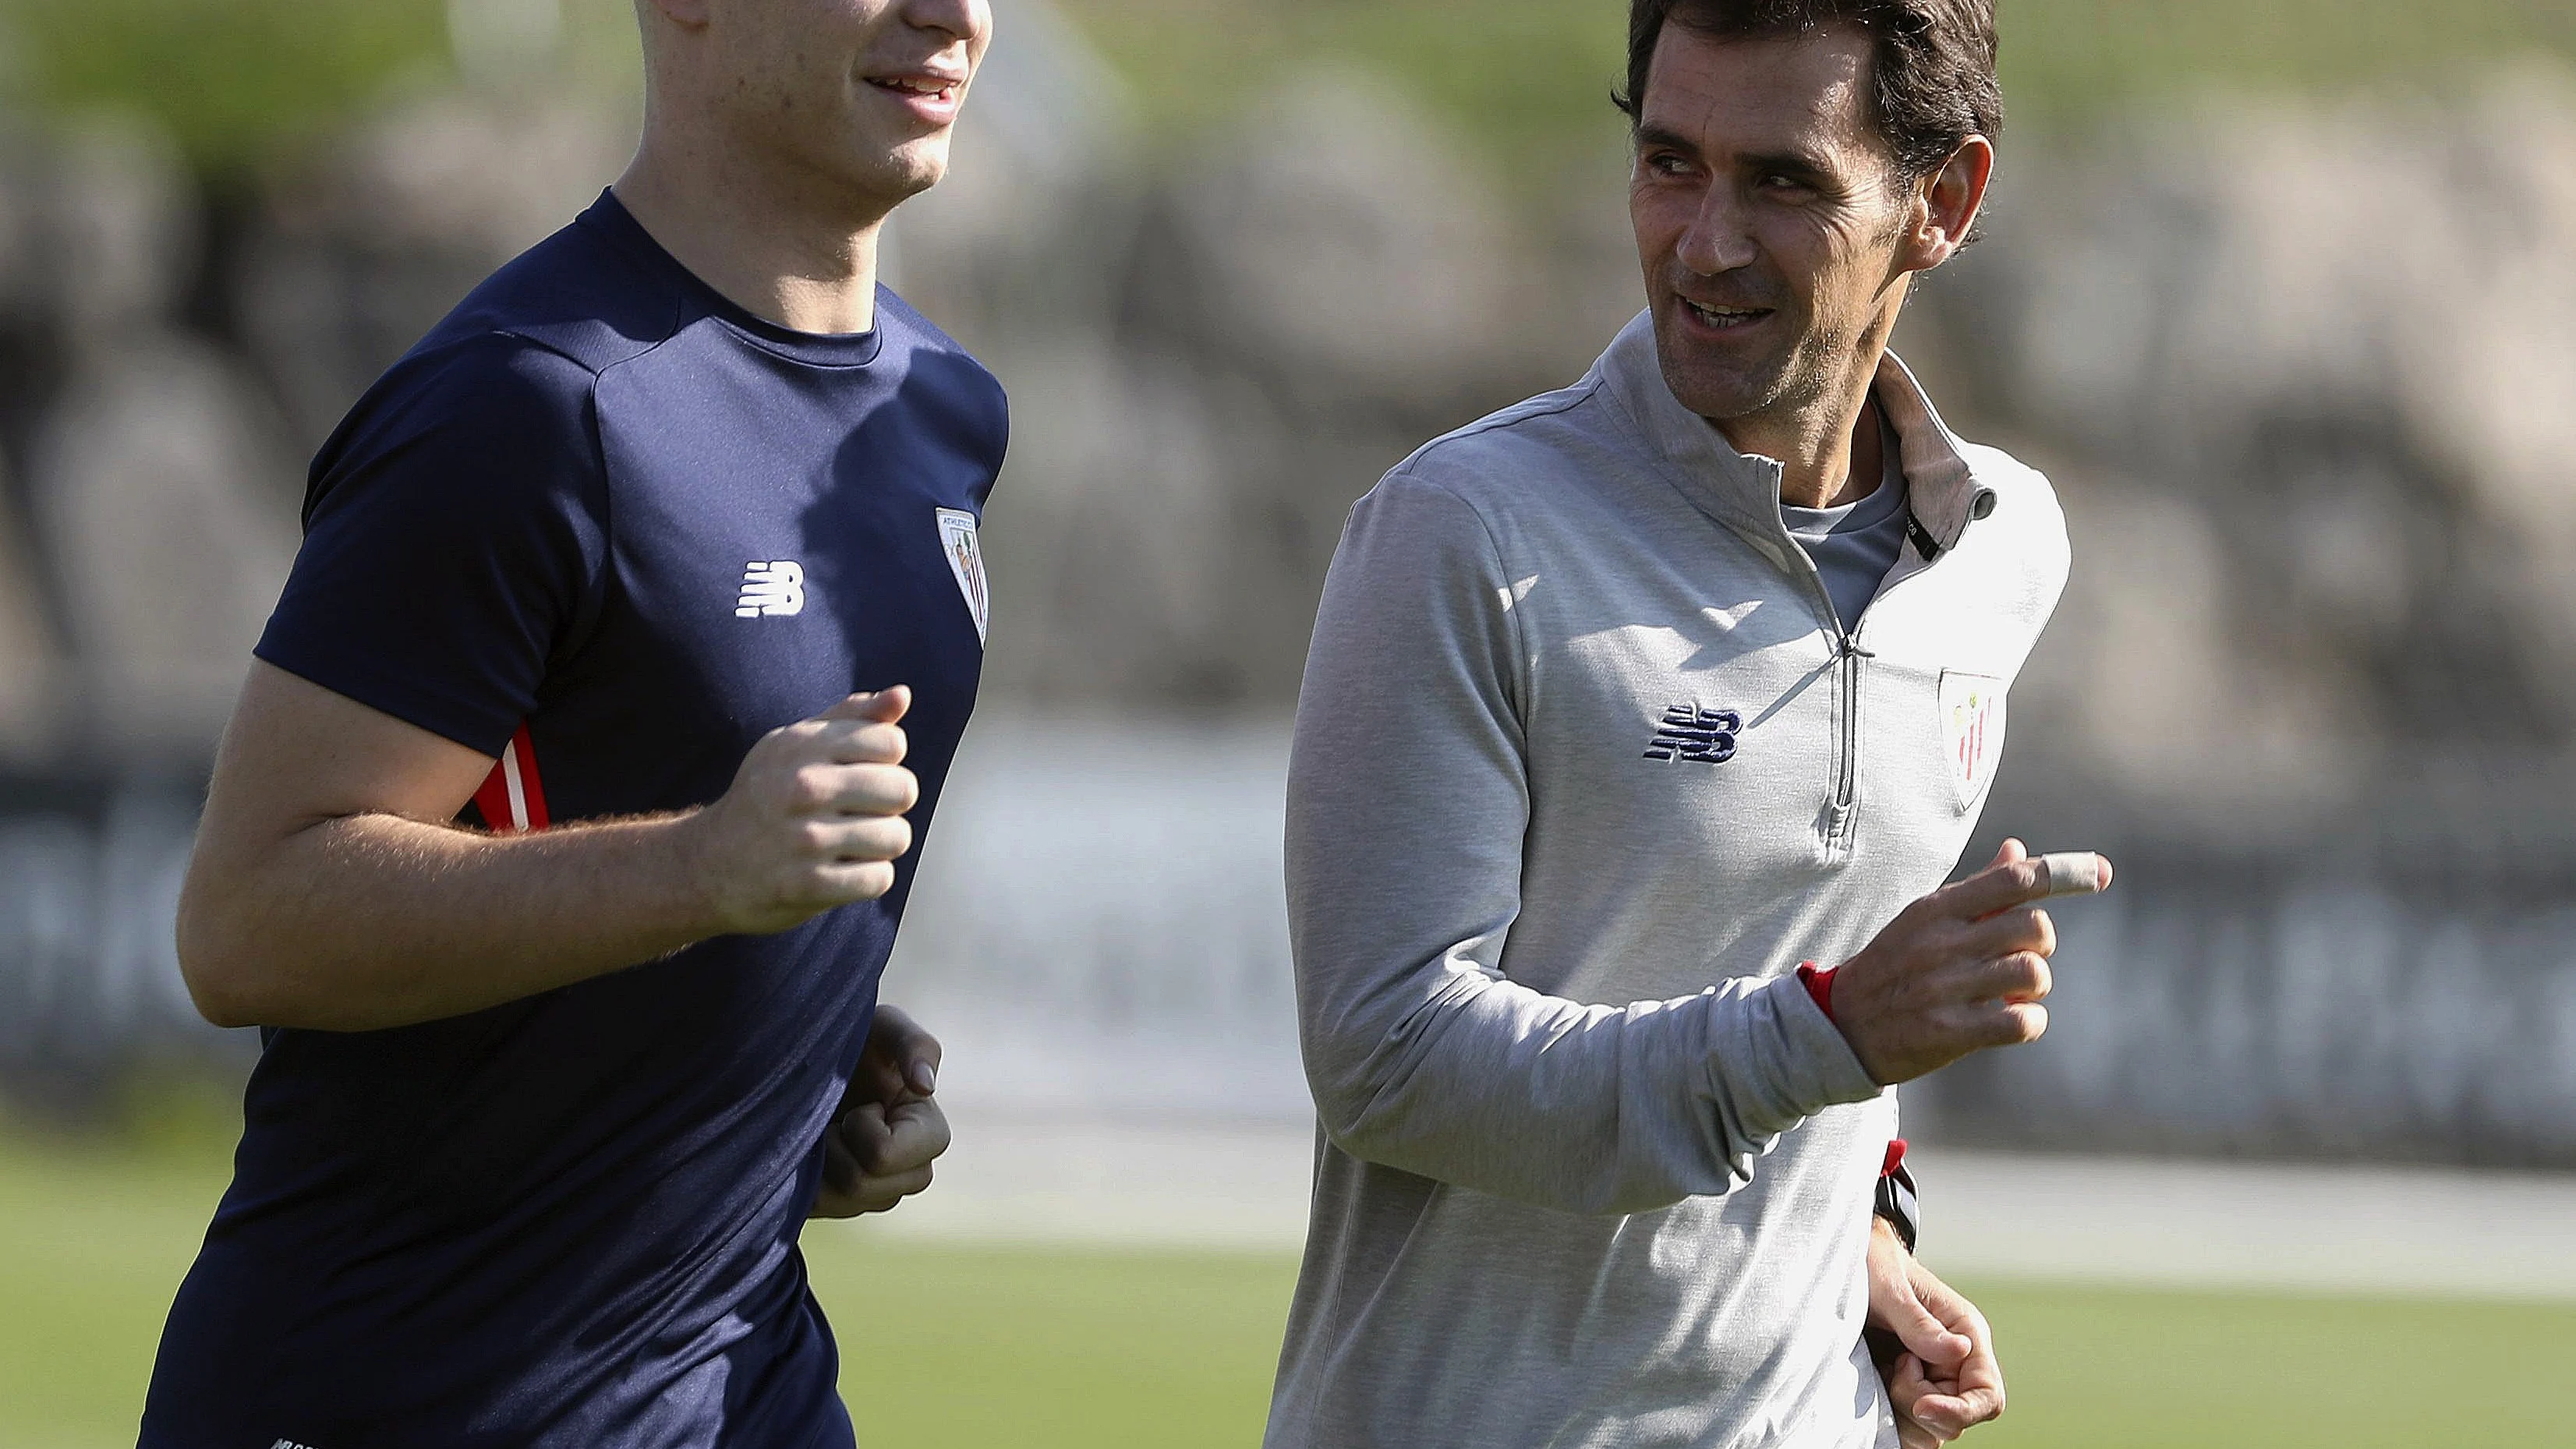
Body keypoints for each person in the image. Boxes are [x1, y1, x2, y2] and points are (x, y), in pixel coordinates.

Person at [142, 1, 1001, 1444]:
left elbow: (656, 830)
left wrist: (776, 1042)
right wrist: (694, 873)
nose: (956, 11)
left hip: (746, 1389)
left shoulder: (942, 409)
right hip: (413, 1393)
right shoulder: (532, 405)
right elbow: (247, 921)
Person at [1268, 3, 2100, 1447]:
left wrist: (1871, 1221)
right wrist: (1830, 1036)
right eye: (1669, 163)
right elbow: (1389, 1059)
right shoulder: (1459, 533)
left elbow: (1808, 973)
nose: (1705, 243)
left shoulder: (2003, 546)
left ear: (1941, 205)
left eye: (1783, 180)